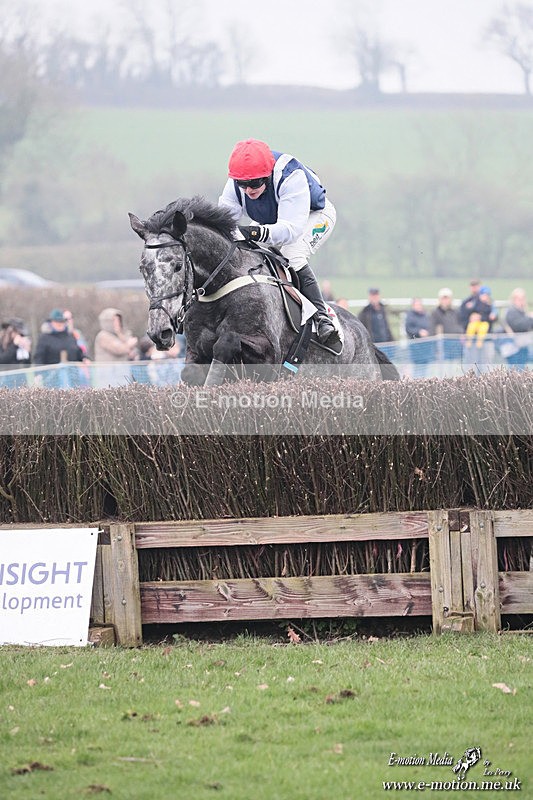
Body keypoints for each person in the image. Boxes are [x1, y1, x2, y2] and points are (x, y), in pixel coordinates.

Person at [218, 138, 340, 346]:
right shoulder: (237, 181)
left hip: (312, 215)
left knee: (292, 254)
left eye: (255, 183)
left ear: (267, 174)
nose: (248, 190)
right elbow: (224, 224)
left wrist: (253, 232)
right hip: (274, 218)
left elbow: (290, 230)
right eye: (243, 184)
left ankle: (322, 317)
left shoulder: (290, 176)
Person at [33, 309, 85, 387]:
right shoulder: (44, 338)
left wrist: (84, 358)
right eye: (57, 322)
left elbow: (77, 351)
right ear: (51, 322)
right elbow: (39, 357)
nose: (60, 324)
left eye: (61, 321)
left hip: (72, 376)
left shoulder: (69, 336)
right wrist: (38, 373)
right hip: (53, 378)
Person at [93, 307, 139, 387]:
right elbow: (119, 349)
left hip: (122, 374)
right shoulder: (103, 336)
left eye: (118, 320)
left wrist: (119, 333)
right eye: (114, 320)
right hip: (107, 375)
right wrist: (129, 344)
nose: (117, 323)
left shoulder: (122, 333)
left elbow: (132, 351)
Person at [428, 288, 463, 362]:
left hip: (456, 344)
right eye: (443, 298)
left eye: (447, 298)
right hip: (442, 346)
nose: (445, 301)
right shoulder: (435, 313)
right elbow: (432, 330)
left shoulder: (455, 312)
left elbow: (460, 326)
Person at [503, 288, 532, 370]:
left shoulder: (522, 311)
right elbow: (519, 325)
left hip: (522, 346)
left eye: (523, 299)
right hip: (513, 348)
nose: (521, 301)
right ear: (514, 299)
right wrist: (530, 318)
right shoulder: (511, 311)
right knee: (515, 370)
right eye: (519, 299)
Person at [405, 298, 434, 376]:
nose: (418, 306)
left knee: (425, 369)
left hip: (426, 347)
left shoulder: (426, 315)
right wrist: (419, 332)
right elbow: (409, 329)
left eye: (419, 304)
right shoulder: (410, 316)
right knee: (416, 369)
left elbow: (430, 327)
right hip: (415, 347)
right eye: (416, 304)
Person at [0, 318, 31, 387]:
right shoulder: (2, 342)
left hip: (20, 379)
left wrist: (27, 352)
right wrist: (14, 345)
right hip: (5, 379)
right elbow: (2, 361)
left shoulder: (20, 342)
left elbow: (27, 365)